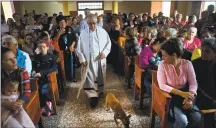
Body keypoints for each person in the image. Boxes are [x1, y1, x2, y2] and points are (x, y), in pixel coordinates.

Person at [157, 38, 202, 128]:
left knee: (197, 118)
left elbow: (193, 83)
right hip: (170, 97)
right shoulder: (162, 65)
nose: (162, 58)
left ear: (174, 55)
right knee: (183, 121)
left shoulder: (187, 64)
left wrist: (190, 97)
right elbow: (162, 85)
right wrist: (182, 94)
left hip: (186, 95)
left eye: (165, 56)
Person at [76, 14, 111, 108]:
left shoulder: (103, 32)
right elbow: (78, 48)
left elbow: (108, 44)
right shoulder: (83, 33)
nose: (92, 26)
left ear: (97, 22)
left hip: (99, 59)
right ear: (87, 23)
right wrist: (82, 58)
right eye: (90, 24)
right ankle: (93, 96)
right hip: (89, 60)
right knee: (90, 77)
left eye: (94, 23)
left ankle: (99, 92)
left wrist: (104, 53)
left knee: (99, 76)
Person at [1, 47, 33, 126]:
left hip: (17, 102)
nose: (14, 61)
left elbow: (26, 93)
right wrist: (6, 103)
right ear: (2, 63)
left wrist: (15, 105)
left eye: (14, 57)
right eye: (9, 60)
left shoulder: (22, 72)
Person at [193, 37, 216, 128]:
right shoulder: (195, 63)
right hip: (200, 97)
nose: (203, 53)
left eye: (207, 51)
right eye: (202, 50)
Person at [32, 40, 58, 116]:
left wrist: (42, 73)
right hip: (38, 79)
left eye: (43, 47)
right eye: (40, 47)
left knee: (43, 90)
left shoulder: (52, 57)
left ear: (47, 47)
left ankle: (47, 106)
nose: (42, 48)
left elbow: (53, 68)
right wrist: (33, 71)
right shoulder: (37, 57)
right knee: (34, 91)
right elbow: (34, 66)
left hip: (48, 79)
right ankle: (38, 108)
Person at [53, 15, 77, 82]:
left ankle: (72, 77)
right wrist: (59, 34)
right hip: (61, 51)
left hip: (70, 50)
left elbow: (74, 39)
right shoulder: (56, 30)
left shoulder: (69, 28)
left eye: (64, 22)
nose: (63, 24)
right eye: (60, 22)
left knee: (71, 64)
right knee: (63, 66)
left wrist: (72, 45)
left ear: (66, 22)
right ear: (58, 24)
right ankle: (64, 79)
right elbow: (54, 42)